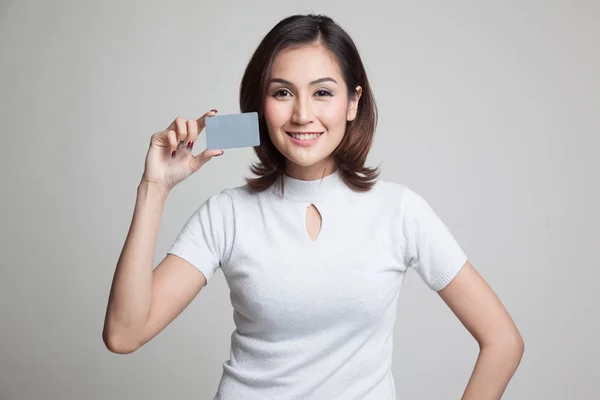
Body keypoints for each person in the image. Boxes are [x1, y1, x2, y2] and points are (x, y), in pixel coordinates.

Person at [102, 14, 524, 400]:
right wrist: (154, 188)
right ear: (260, 107)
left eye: (323, 92)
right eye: (282, 92)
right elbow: (124, 334)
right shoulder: (227, 215)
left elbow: (503, 341)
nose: (303, 114)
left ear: (353, 103)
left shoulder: (400, 211)